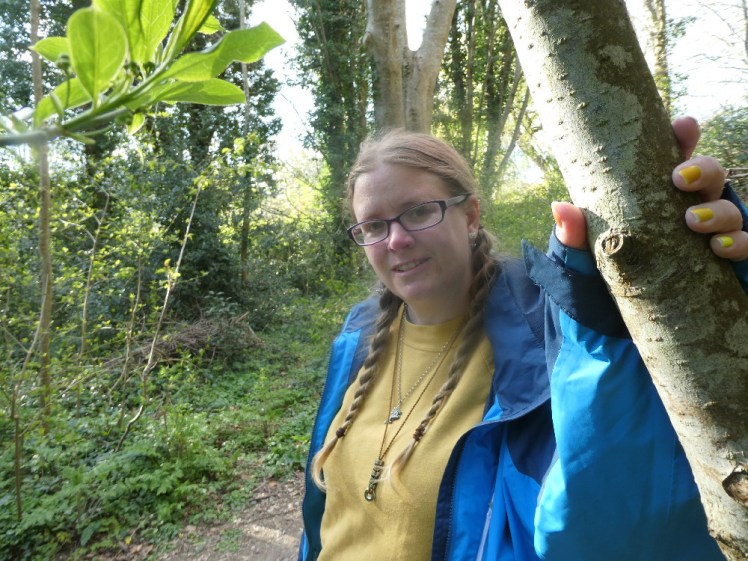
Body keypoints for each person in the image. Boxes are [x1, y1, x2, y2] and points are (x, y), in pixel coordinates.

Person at [296, 116, 748, 561]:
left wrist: (706, 275)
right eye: (373, 226)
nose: (395, 240)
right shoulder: (358, 334)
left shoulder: (548, 331)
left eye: (418, 212)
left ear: (470, 216)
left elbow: (629, 487)